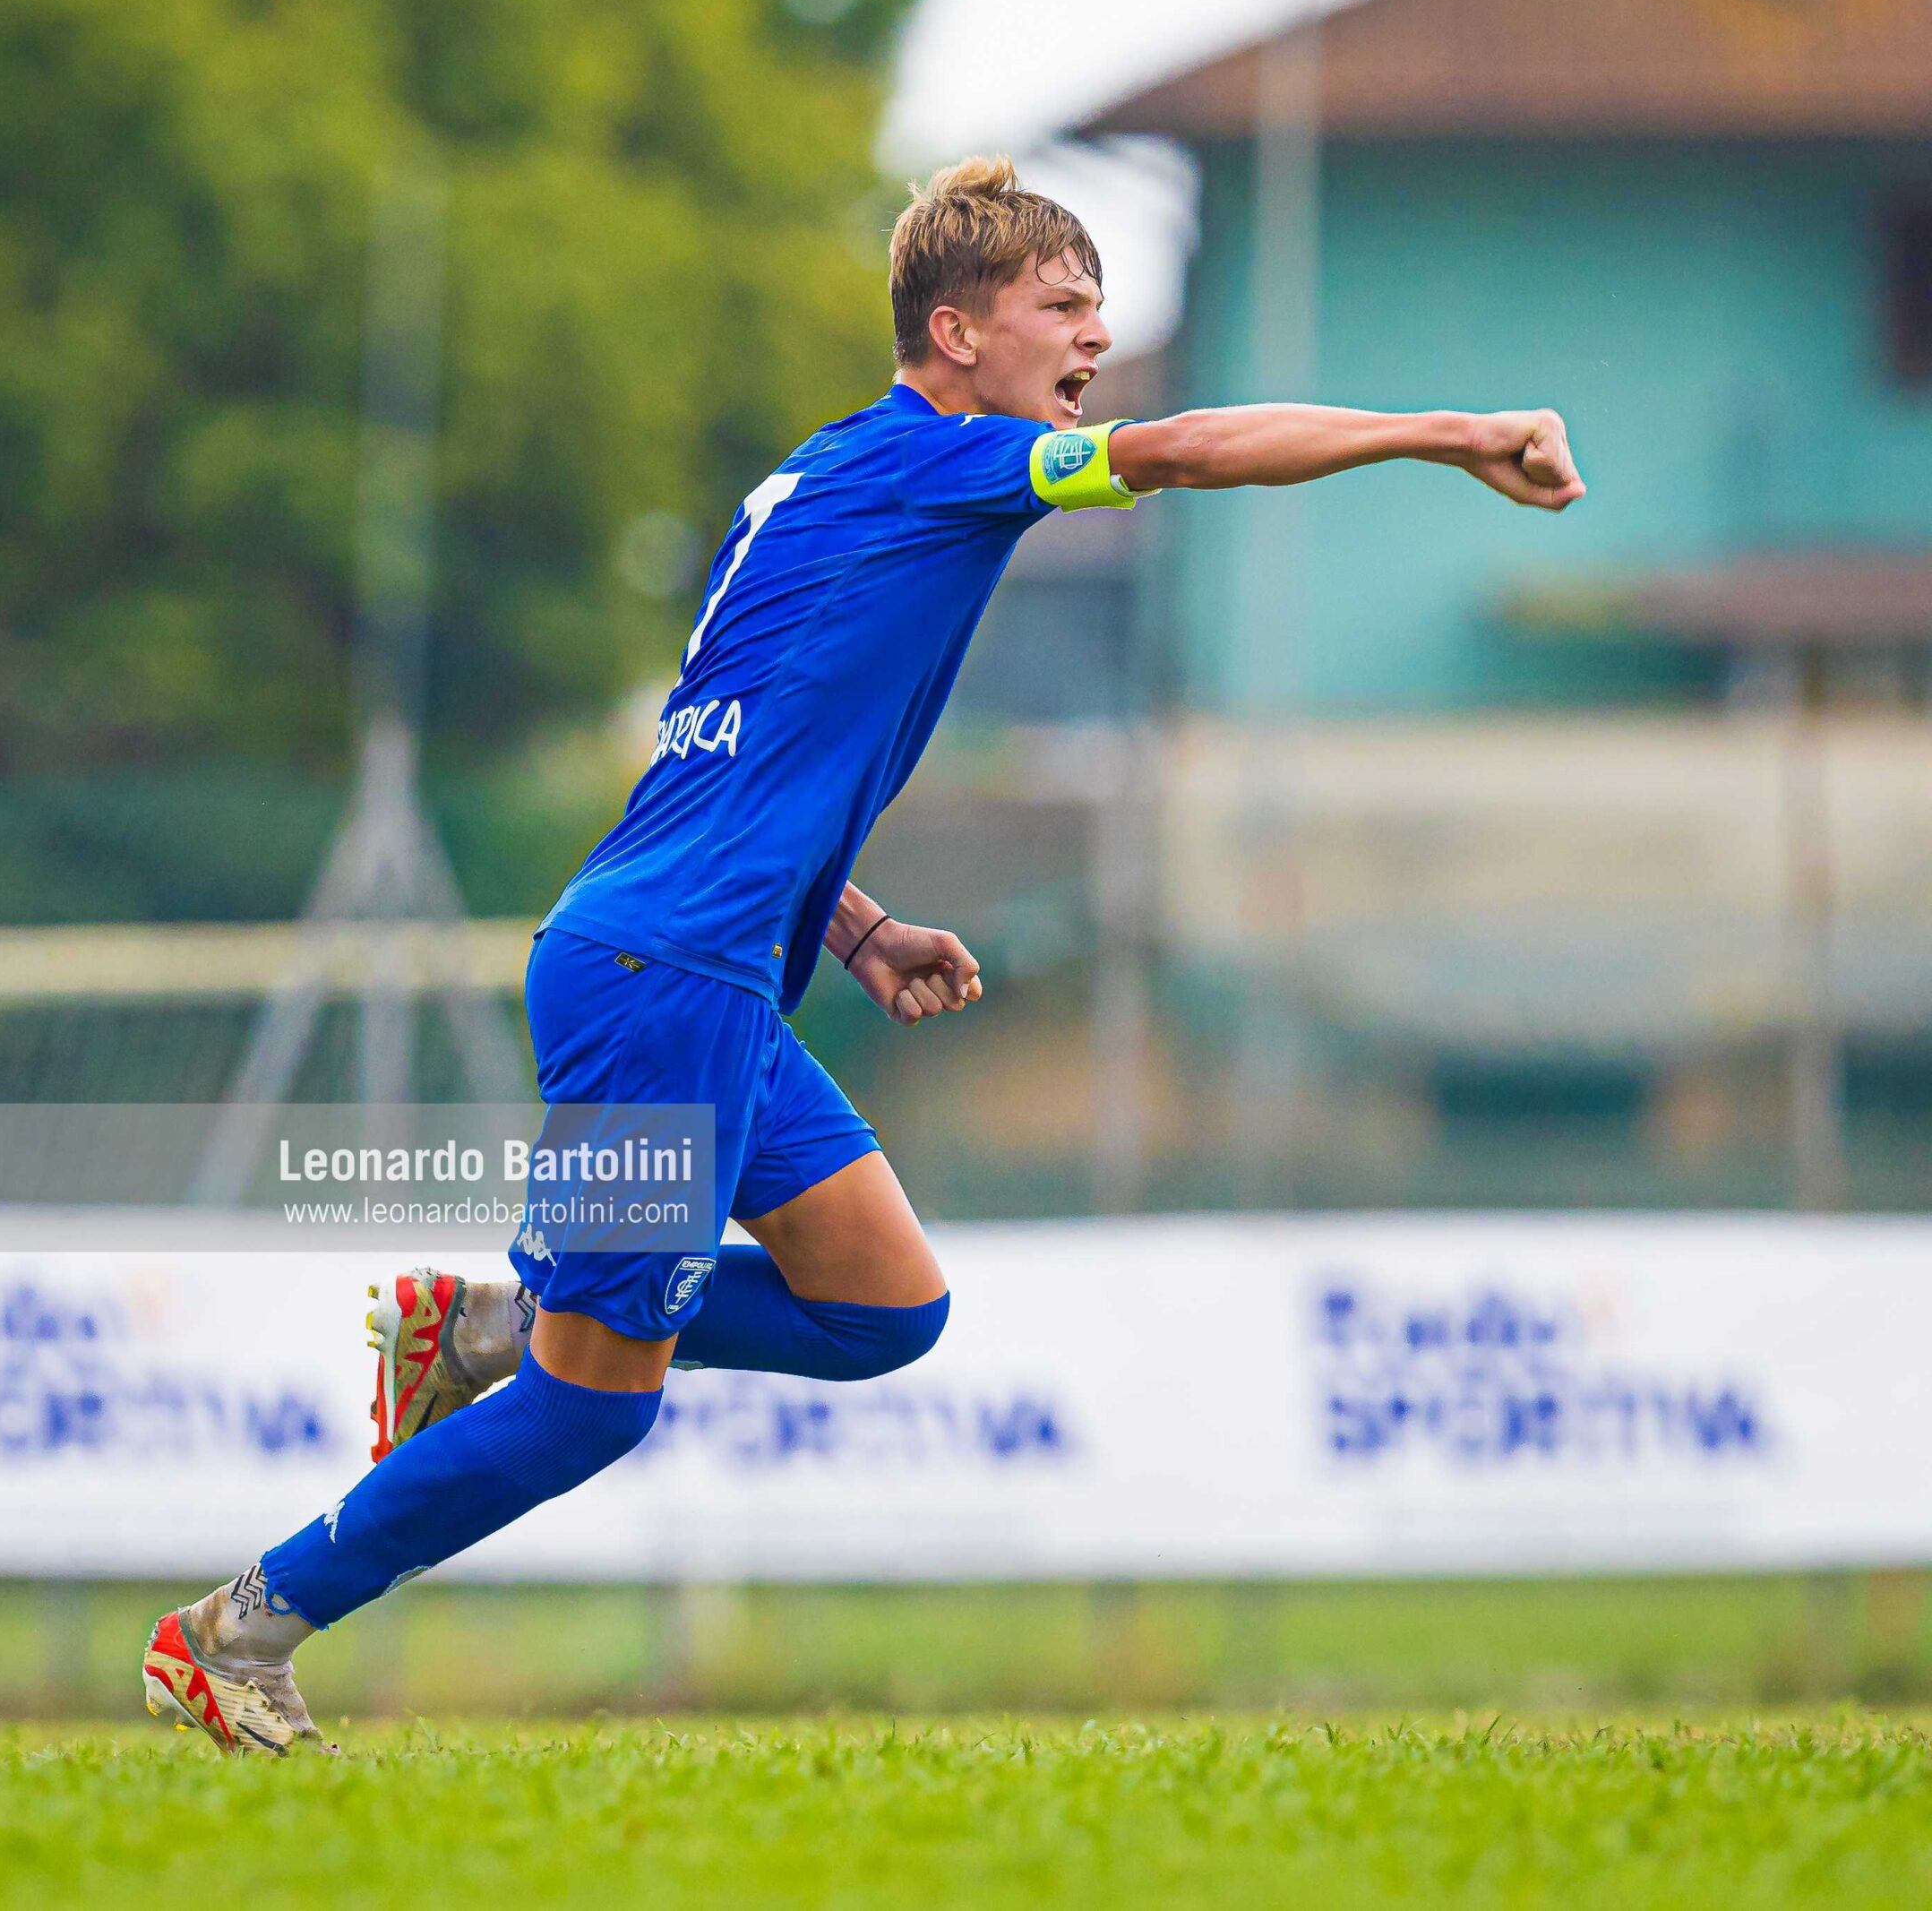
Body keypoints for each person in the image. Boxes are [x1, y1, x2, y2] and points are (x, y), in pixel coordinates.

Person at [141, 155, 1584, 1753]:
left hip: (699, 971)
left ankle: (474, 1325)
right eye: (1064, 305)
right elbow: (1183, 454)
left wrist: (860, 921)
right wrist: (1447, 435)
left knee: (883, 1312)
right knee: (585, 1411)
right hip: (661, 983)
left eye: (1102, 304)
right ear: (957, 334)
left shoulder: (821, 482)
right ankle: (241, 1628)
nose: (1095, 336)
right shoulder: (941, 467)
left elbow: (736, 767)